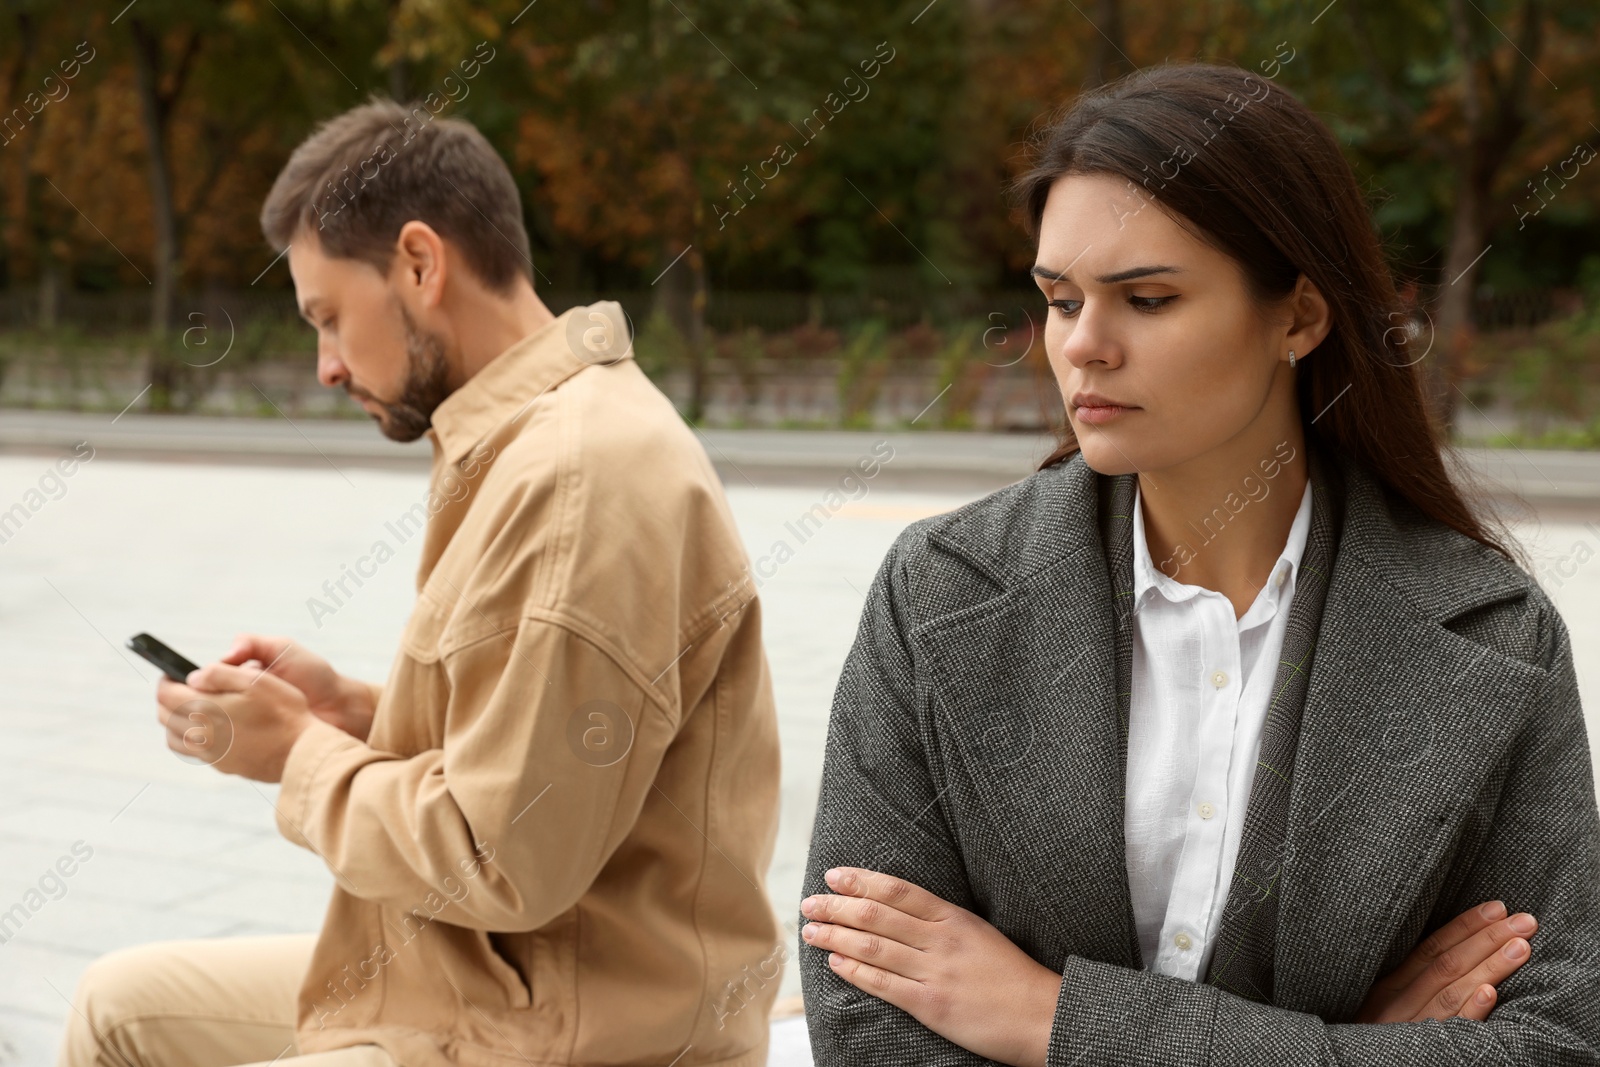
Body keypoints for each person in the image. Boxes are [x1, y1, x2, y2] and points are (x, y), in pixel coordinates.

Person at [797, 61, 1600, 1065]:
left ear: (1300, 317)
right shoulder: (938, 593)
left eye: (1145, 297)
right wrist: (1341, 1049)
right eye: (1057, 299)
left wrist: (1051, 1019)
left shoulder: (1493, 634)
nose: (1083, 345)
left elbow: (1553, 1043)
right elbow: (865, 1022)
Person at [58, 97, 783, 1067]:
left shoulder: (579, 476)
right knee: (118, 1003)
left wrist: (299, 755)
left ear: (418, 262)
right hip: (493, 974)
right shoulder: (535, 434)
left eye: (327, 318)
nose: (323, 365)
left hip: (570, 1021)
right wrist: (355, 709)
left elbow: (504, 857)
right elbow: (532, 742)